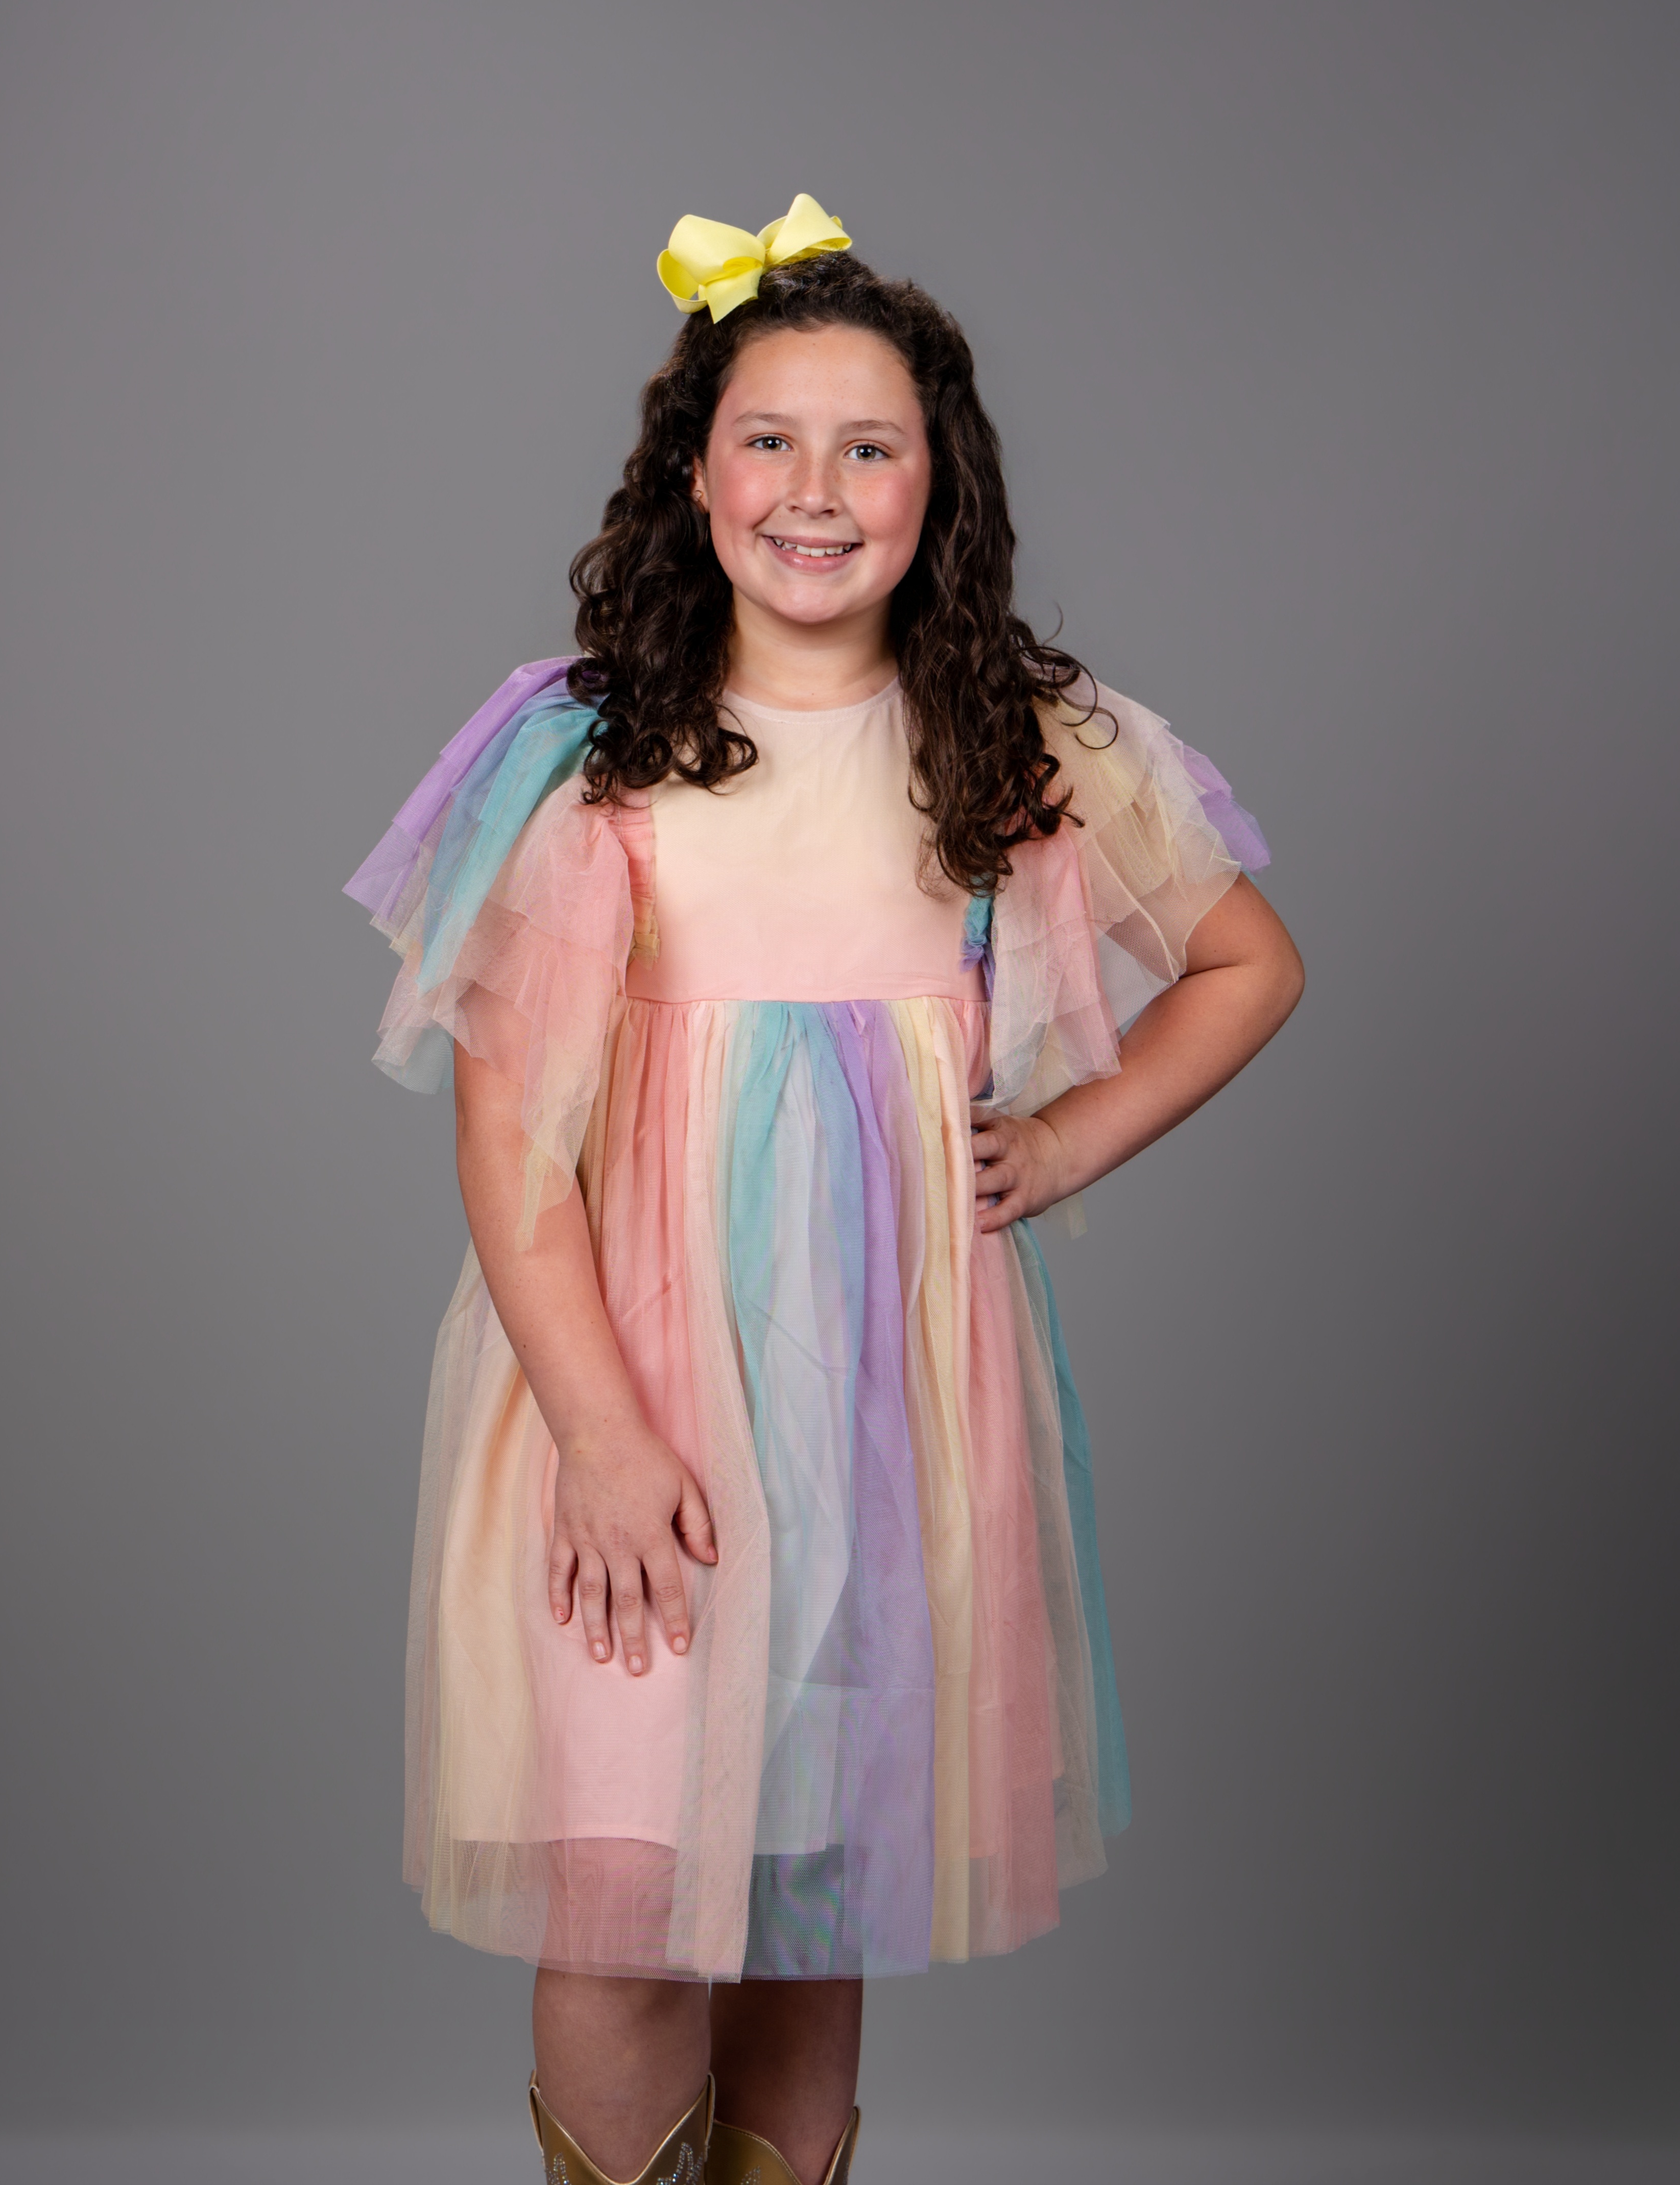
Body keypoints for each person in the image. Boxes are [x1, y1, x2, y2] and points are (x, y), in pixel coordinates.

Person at [346, 194, 1304, 2185]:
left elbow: (1245, 963)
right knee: (627, 1898)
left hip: (882, 1404)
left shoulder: (1012, 737)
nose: (814, 489)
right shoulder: (590, 753)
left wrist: (1063, 1135)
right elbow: (507, 1146)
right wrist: (602, 1437)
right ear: (691, 471)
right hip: (634, 1399)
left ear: (938, 486)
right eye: (769, 439)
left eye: (870, 447)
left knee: (807, 1893)